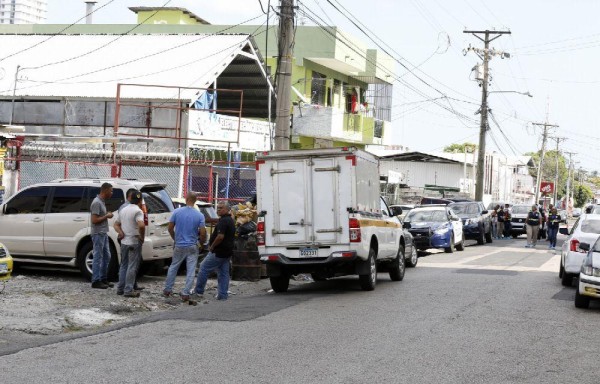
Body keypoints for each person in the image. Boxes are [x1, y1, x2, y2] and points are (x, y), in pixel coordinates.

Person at [163, 192, 207, 302]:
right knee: (191, 269)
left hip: (179, 245)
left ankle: (168, 289)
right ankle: (186, 292)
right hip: (192, 245)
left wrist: (175, 239)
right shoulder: (199, 215)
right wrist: (201, 244)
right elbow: (202, 233)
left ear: (186, 199)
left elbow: (170, 228)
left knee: (173, 267)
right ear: (195, 200)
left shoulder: (177, 212)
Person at [194, 202, 236, 300]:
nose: (218, 210)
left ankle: (198, 291)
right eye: (217, 208)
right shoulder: (229, 220)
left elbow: (220, 237)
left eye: (221, 208)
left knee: (203, 268)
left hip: (218, 252)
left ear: (227, 209)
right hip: (227, 252)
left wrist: (212, 246)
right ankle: (222, 294)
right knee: (223, 272)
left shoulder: (223, 221)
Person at [114, 191, 145, 298]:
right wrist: (142, 237)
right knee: (132, 266)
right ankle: (128, 289)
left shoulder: (123, 210)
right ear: (140, 201)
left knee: (123, 265)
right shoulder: (138, 211)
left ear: (129, 198)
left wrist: (121, 232)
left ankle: (120, 288)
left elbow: (116, 224)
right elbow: (141, 225)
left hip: (124, 241)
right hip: (134, 241)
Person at [90, 182, 114, 289]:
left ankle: (103, 278)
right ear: (105, 190)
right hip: (98, 233)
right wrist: (106, 216)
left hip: (103, 232)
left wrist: (106, 215)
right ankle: (96, 281)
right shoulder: (96, 203)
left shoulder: (102, 202)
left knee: (107, 256)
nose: (112, 193)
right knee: (98, 257)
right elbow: (94, 220)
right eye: (111, 191)